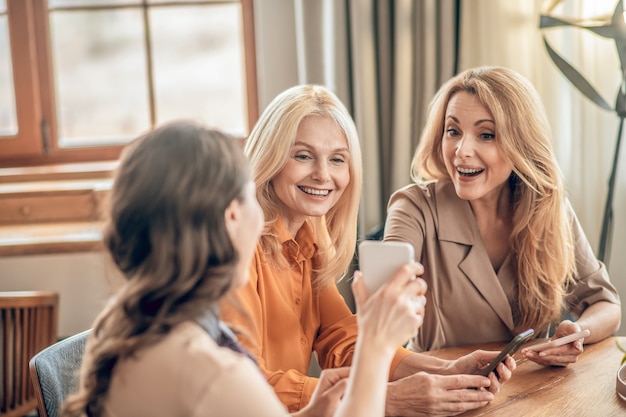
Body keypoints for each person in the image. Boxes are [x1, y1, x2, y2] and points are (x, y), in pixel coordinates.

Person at [59, 121, 428, 417]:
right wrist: (376, 348)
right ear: (232, 216)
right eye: (253, 193)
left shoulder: (122, 324)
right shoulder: (213, 373)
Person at [221, 84, 516, 417]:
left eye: (337, 160)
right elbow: (243, 382)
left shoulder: (311, 234)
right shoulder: (238, 246)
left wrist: (440, 370)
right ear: (270, 157)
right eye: (303, 155)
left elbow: (342, 339)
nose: (323, 174)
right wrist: (387, 398)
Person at [383, 66, 621, 366]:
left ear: (520, 143)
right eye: (453, 131)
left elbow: (605, 303)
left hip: (533, 392)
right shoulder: (413, 207)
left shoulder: (546, 206)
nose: (461, 150)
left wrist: (576, 333)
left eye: (486, 135)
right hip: (439, 390)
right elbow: (380, 309)